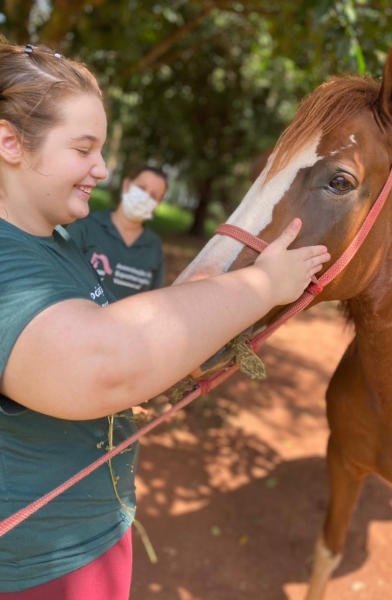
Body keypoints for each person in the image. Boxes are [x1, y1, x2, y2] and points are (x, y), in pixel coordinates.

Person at [0, 39, 330, 600]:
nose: (102, 169)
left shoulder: (55, 243)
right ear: (9, 142)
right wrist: (262, 287)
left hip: (90, 542)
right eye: (83, 149)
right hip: (39, 568)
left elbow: (121, 328)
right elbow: (100, 364)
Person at [66, 166, 167, 299]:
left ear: (158, 203)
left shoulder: (153, 245)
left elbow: (154, 298)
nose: (144, 198)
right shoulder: (85, 226)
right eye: (142, 188)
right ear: (126, 184)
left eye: (153, 196)